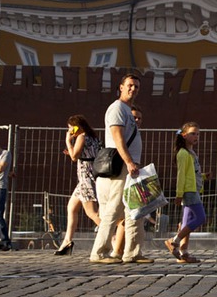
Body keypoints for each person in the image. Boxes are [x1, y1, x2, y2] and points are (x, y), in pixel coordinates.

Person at [89, 73, 151, 264]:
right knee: (114, 209)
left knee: (136, 211)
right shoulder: (116, 109)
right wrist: (129, 162)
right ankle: (99, 252)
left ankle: (133, 251)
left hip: (132, 167)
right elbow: (118, 139)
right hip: (124, 166)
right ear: (121, 87)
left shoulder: (127, 109)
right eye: (130, 85)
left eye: (136, 87)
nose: (133, 89)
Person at [58, 114, 102, 255]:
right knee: (71, 207)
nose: (70, 131)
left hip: (85, 179)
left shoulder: (81, 137)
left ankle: (112, 237)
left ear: (77, 127)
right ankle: (67, 241)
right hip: (90, 176)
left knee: (91, 213)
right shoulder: (94, 138)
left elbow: (73, 156)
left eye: (71, 128)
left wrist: (68, 141)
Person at [165, 121, 206, 264]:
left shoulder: (191, 152)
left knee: (186, 222)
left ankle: (184, 252)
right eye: (193, 134)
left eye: (198, 134)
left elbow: (192, 173)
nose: (196, 136)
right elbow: (181, 175)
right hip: (189, 191)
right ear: (184, 135)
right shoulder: (182, 153)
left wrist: (204, 176)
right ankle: (174, 240)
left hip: (193, 188)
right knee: (200, 218)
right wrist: (179, 193)